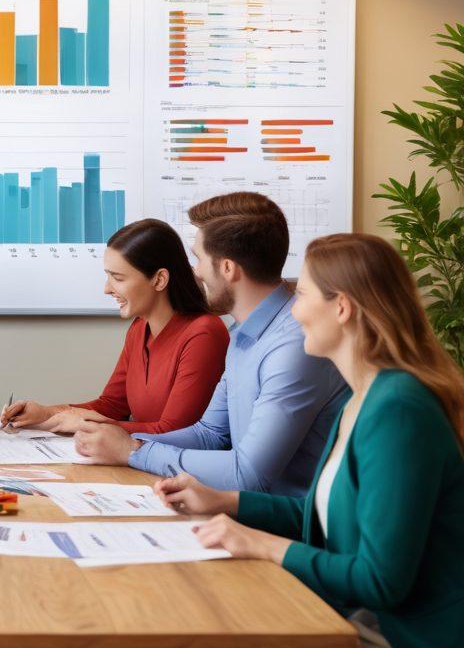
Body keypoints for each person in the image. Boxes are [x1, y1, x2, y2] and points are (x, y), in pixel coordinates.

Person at [148, 233, 464, 648]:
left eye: (302, 294)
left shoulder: (400, 409)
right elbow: (328, 518)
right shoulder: (362, 398)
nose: (293, 311)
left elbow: (381, 581)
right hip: (346, 617)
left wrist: (262, 544)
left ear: (342, 308)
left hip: (401, 645)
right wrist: (226, 502)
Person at [73, 193, 348, 495]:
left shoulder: (294, 346)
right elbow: (209, 434)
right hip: (242, 511)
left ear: (228, 268)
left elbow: (249, 475)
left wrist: (134, 450)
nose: (196, 271)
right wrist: (120, 440)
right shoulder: (243, 334)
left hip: (286, 525)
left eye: (199, 259)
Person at [1, 218, 228, 435]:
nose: (107, 289)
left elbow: (175, 431)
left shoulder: (204, 334)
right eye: (108, 276)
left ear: (159, 280)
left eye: (118, 278)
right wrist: (46, 413)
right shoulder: (139, 328)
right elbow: (111, 405)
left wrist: (83, 424)